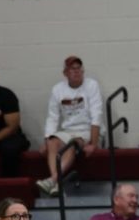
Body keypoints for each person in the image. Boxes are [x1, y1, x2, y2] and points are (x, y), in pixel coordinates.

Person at [37, 56, 103, 197]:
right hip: (67, 130)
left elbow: (96, 114)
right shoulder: (57, 89)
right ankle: (56, 184)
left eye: (79, 68)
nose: (76, 71)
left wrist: (94, 143)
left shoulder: (92, 85)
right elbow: (52, 117)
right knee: (51, 142)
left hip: (86, 131)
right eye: (72, 69)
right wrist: (46, 141)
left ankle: (53, 181)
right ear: (65, 73)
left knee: (72, 144)